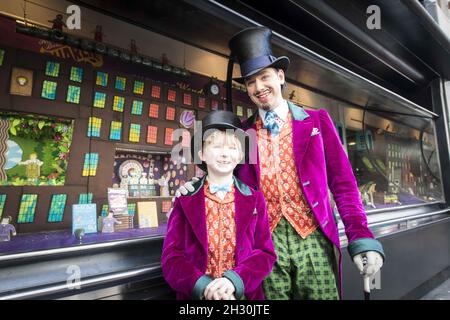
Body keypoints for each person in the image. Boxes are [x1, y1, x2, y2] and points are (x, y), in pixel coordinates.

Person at [179, 27, 385, 300]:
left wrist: (361, 239)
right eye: (250, 82)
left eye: (264, 77)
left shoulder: (317, 121)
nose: (258, 88)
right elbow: (225, 176)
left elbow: (345, 186)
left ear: (280, 76)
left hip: (313, 238)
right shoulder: (243, 134)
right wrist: (196, 186)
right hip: (266, 245)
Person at [161, 111, 276, 300]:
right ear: (202, 154)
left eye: (232, 147)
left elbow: (265, 253)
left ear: (240, 155)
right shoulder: (185, 199)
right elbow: (171, 258)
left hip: (243, 296)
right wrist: (202, 286)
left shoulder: (255, 199)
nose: (224, 153)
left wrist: (235, 281)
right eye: (215, 146)